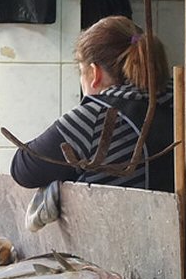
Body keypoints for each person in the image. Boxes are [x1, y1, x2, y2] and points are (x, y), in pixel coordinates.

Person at [10, 15, 176, 192]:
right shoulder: (181, 101)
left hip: (120, 219)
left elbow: (23, 169)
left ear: (95, 73)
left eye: (82, 72)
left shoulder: (96, 116)